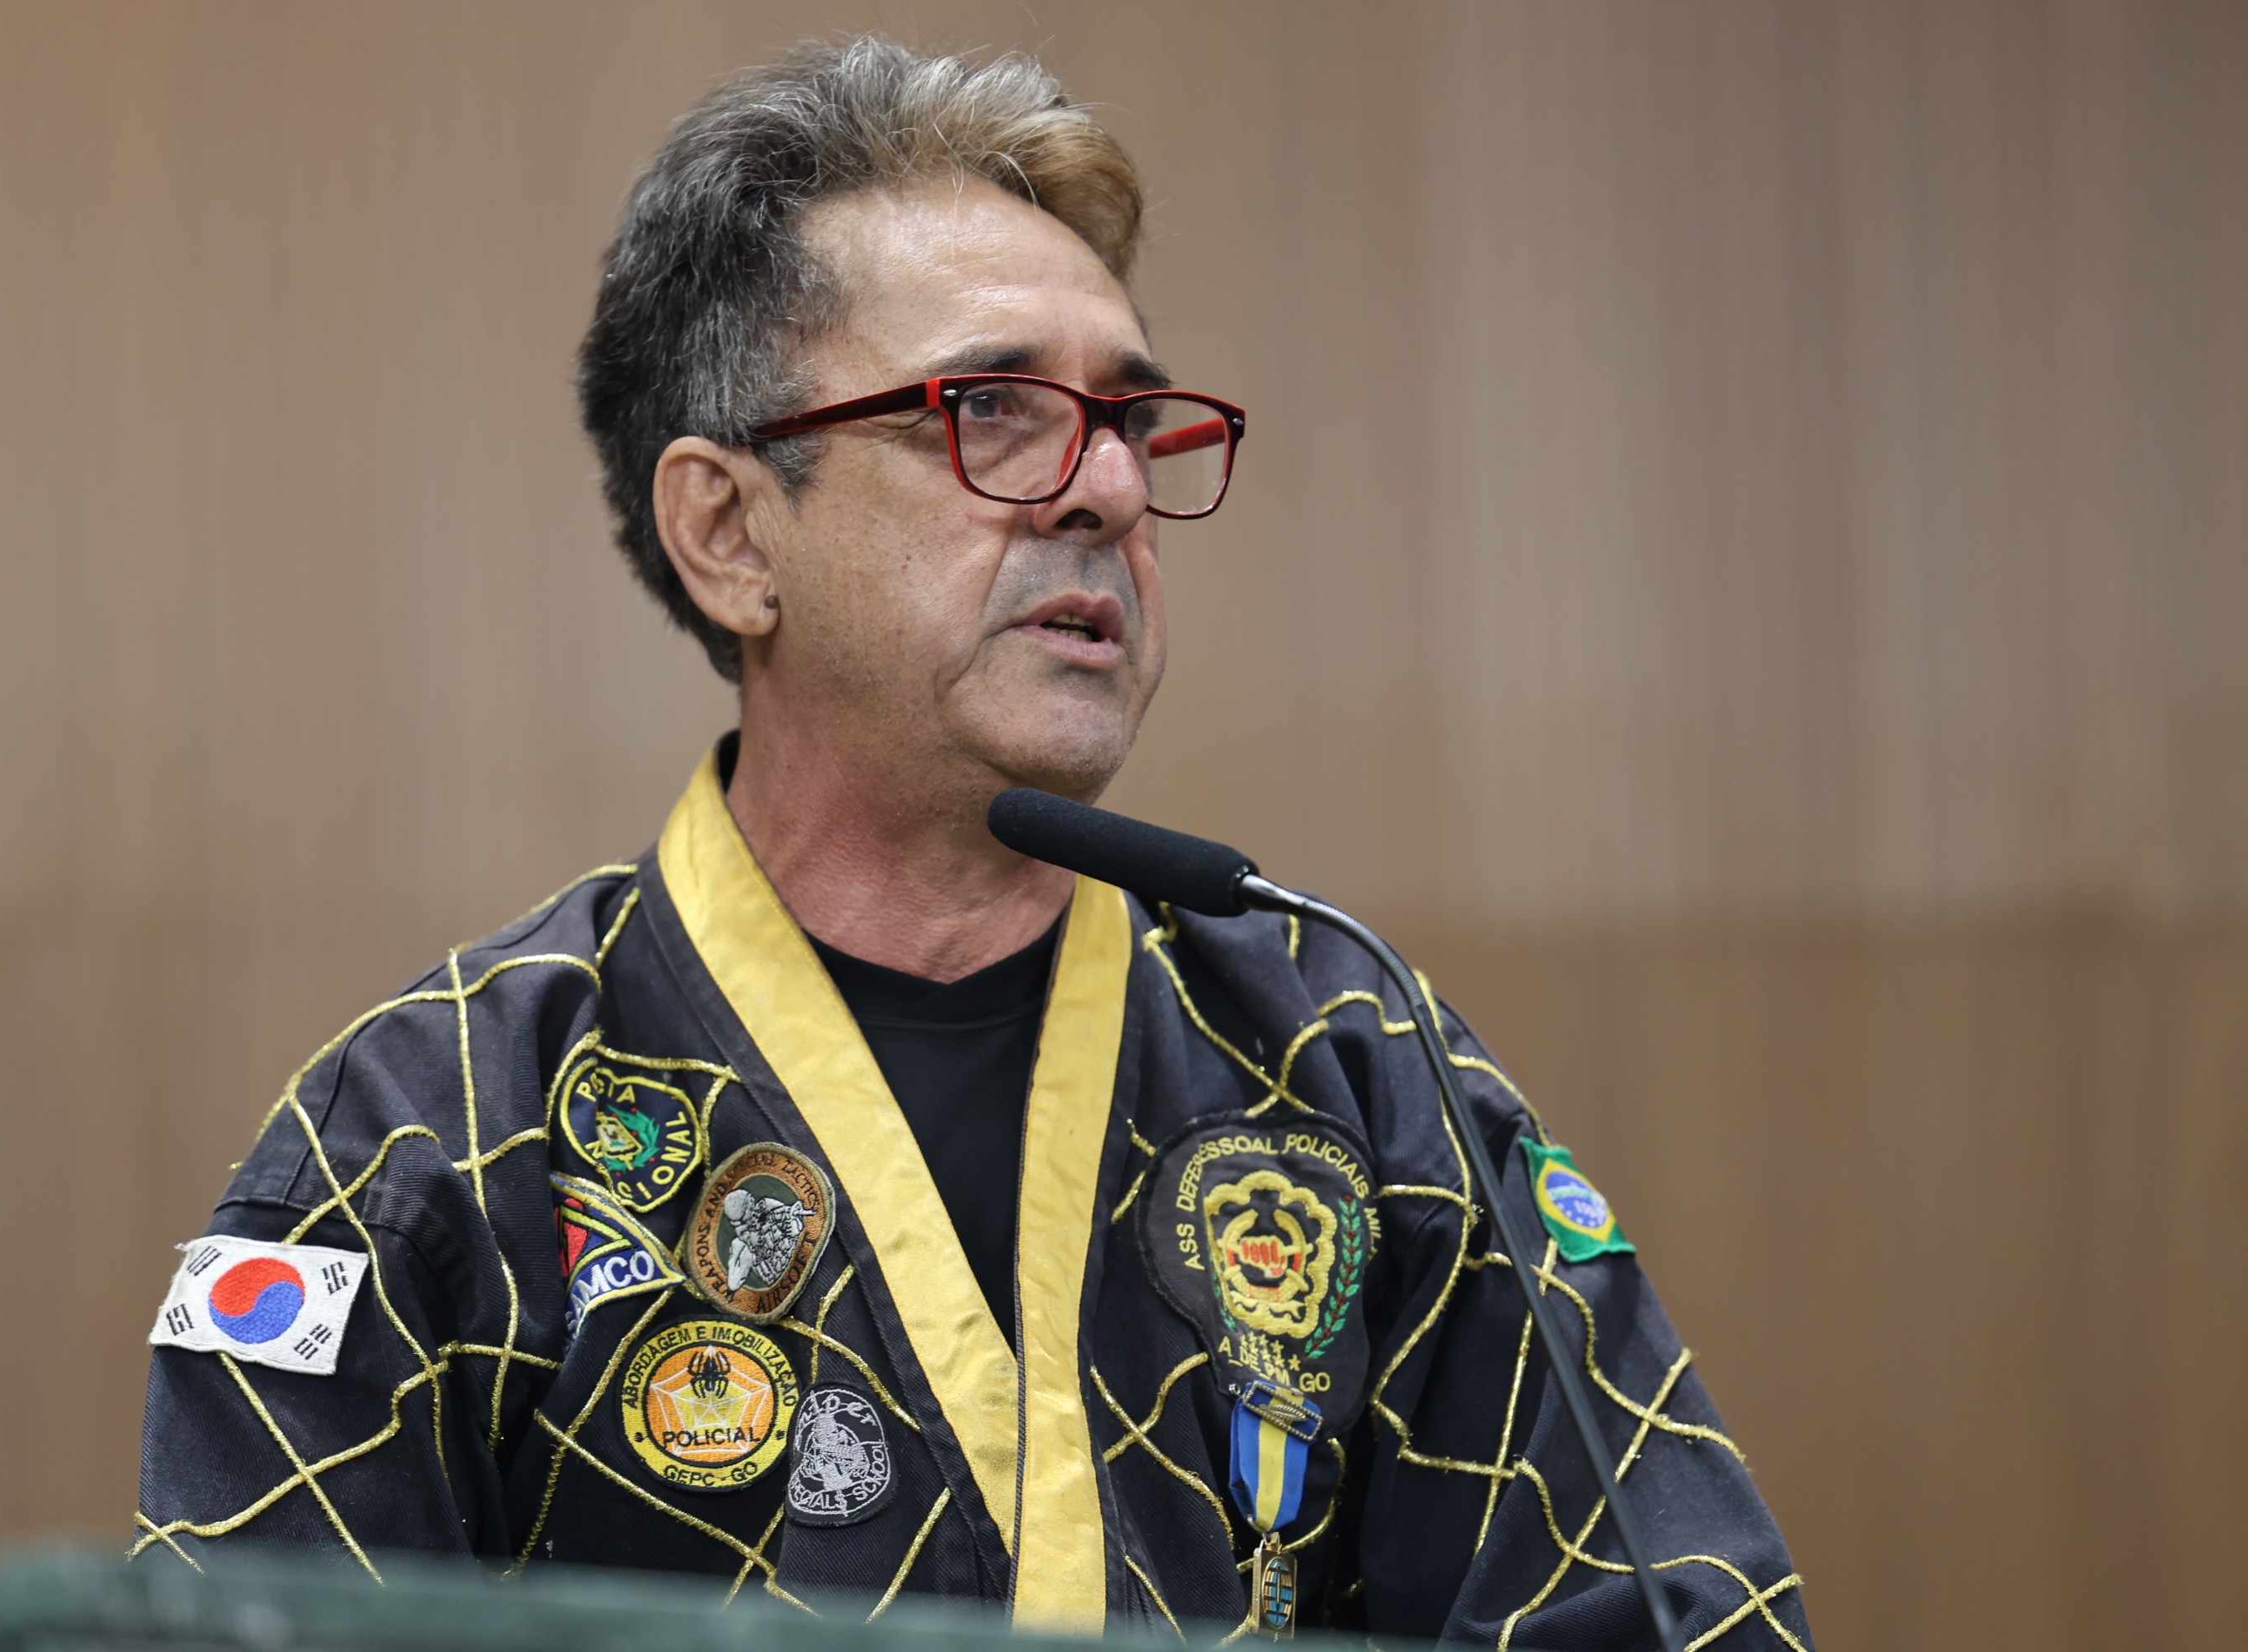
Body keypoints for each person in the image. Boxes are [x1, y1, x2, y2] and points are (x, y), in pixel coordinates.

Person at [137, 37, 1811, 1648]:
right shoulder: (432, 1130)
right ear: (730, 533)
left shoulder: (1352, 1064)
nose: (1110, 491)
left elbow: (1670, 1614)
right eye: (994, 407)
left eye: (1130, 422)